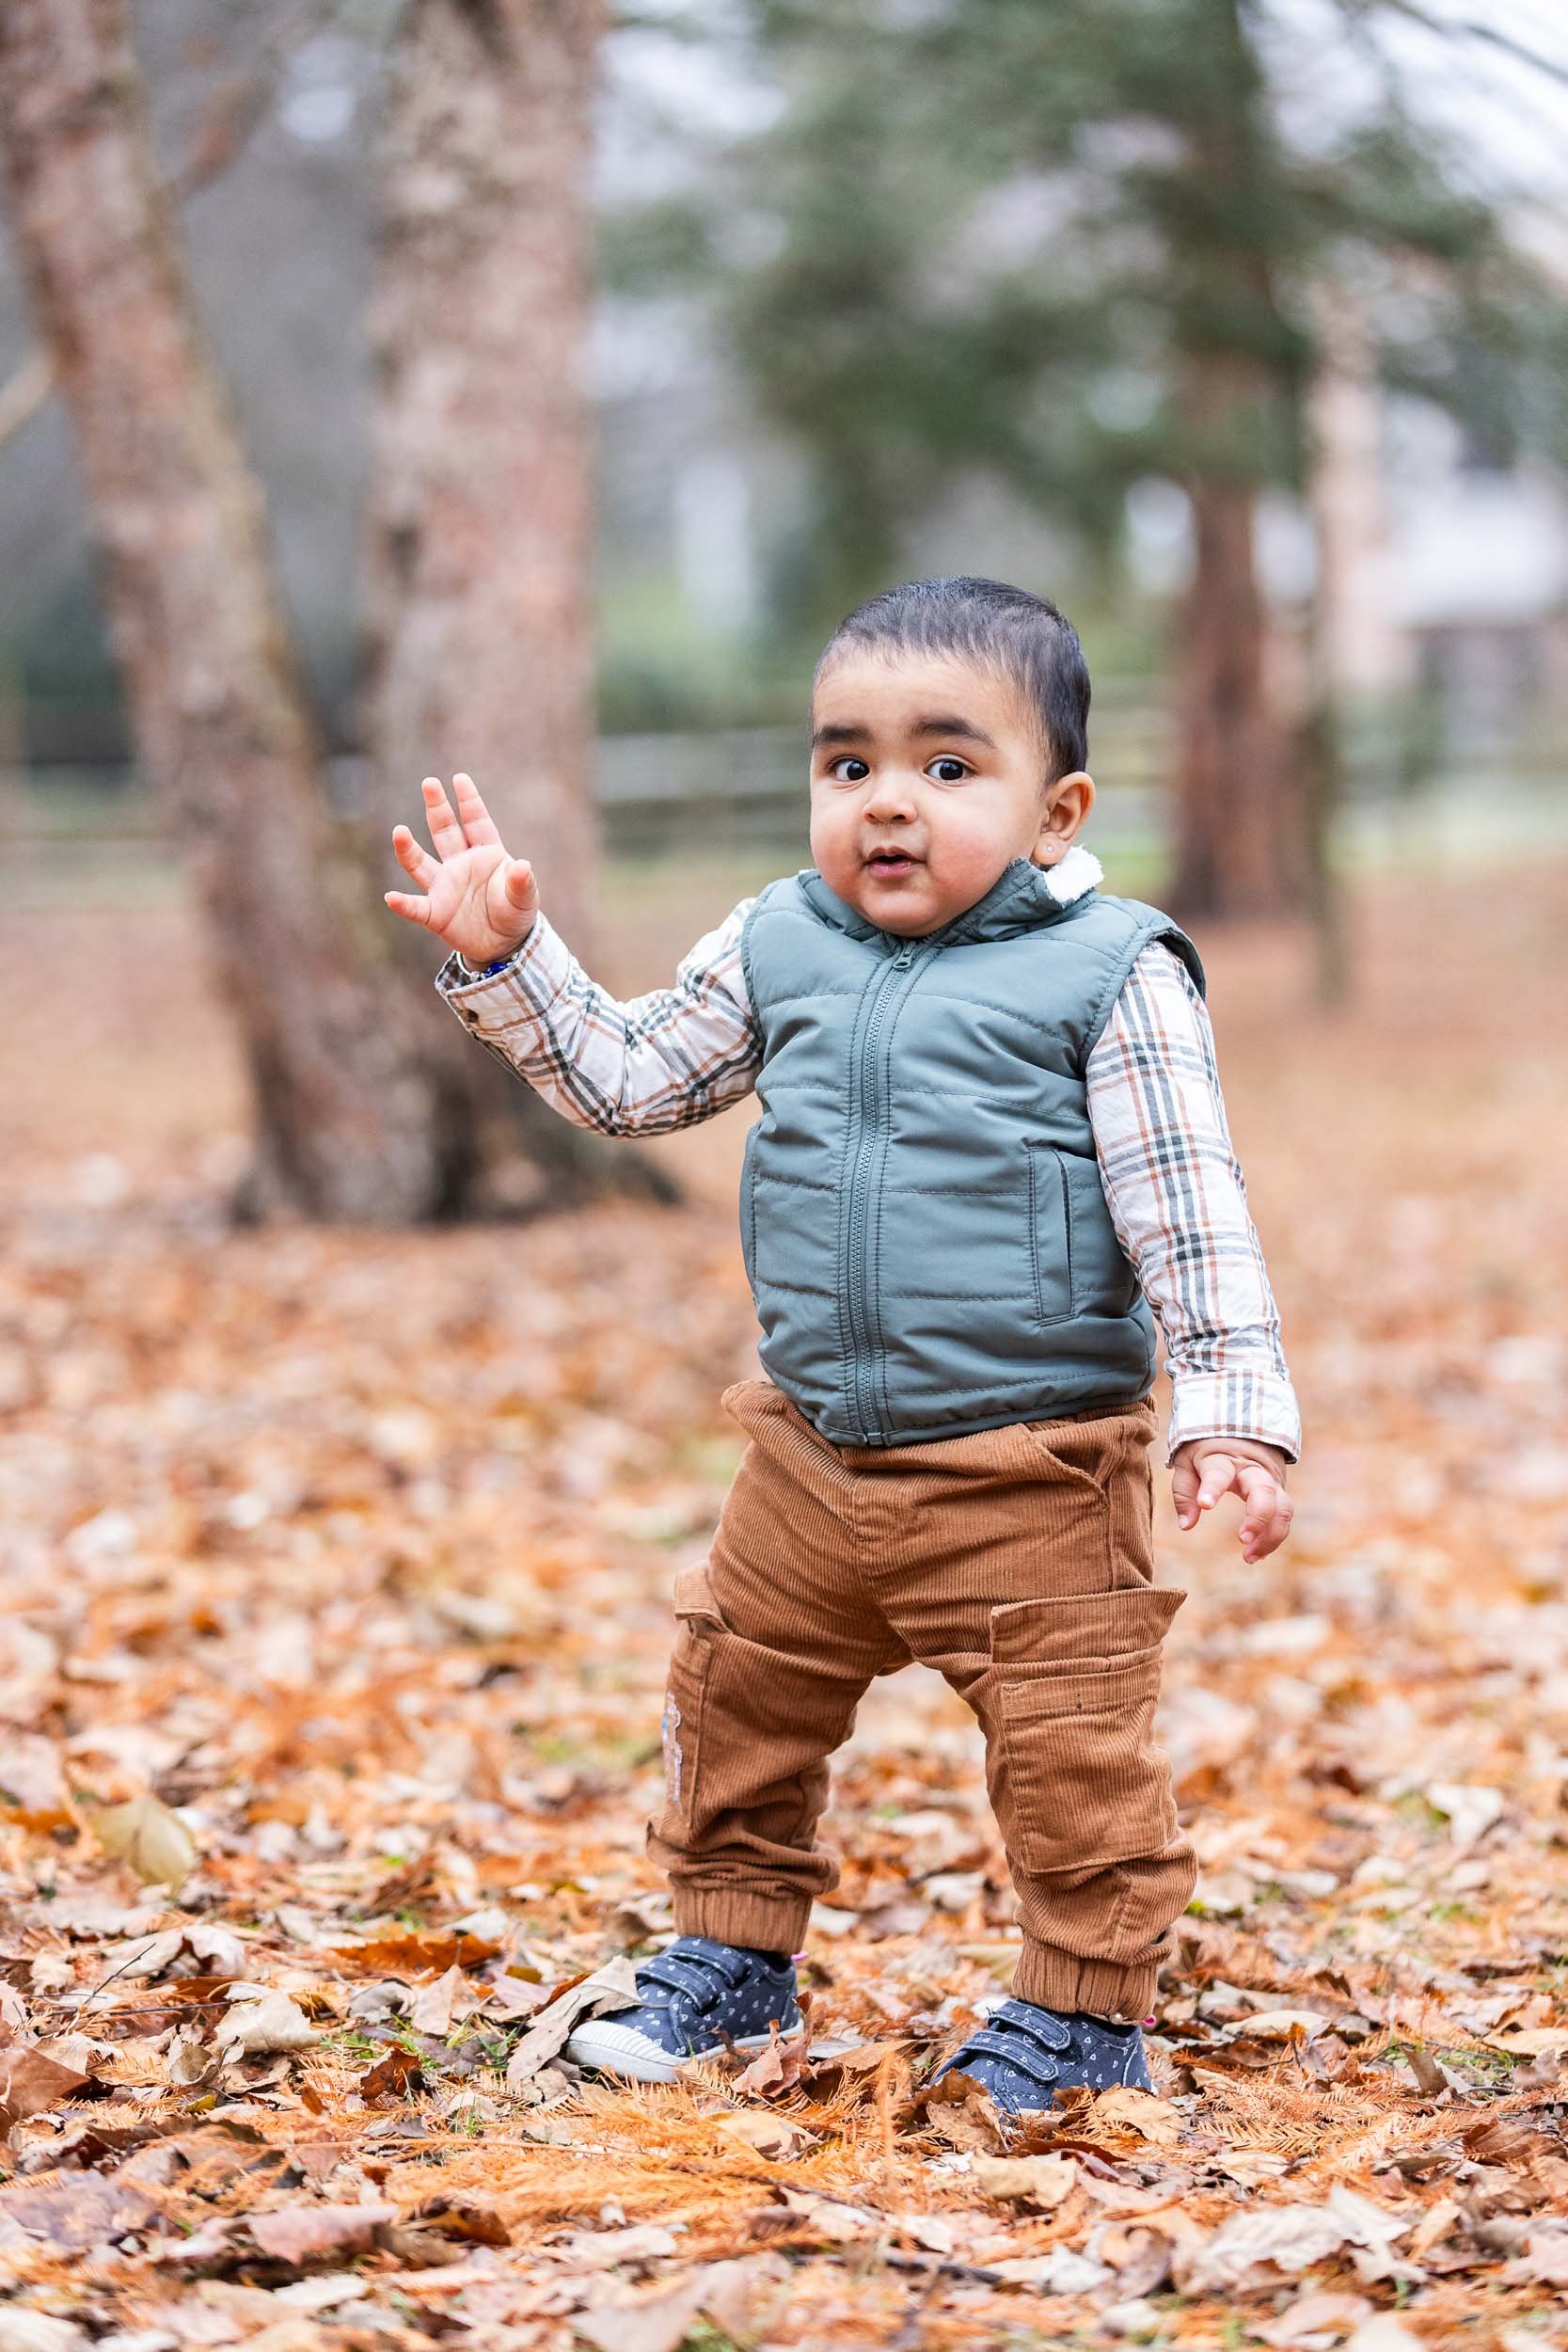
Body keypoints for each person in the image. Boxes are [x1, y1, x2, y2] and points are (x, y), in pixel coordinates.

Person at [385, 576, 1301, 2117]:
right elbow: (629, 1084)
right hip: (808, 1457)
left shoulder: (1111, 973)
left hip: (1029, 1470)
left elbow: (1187, 1213)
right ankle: (728, 1960)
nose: (887, 803)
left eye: (949, 768)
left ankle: (1082, 2012)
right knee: (734, 1698)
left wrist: (1233, 1417)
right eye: (846, 763)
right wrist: (513, 963)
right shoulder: (779, 939)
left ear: (1056, 808)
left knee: (1075, 1753)